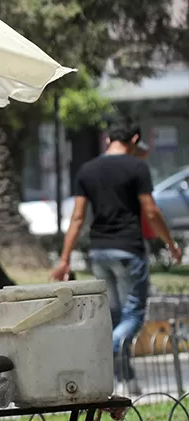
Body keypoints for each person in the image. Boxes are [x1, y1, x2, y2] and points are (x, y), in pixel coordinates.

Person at [51, 117, 181, 396]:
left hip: (99, 252)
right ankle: (107, 358)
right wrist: (170, 242)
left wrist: (64, 259)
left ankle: (128, 380)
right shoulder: (137, 167)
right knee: (133, 315)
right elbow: (151, 211)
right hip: (128, 250)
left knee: (115, 316)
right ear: (135, 140)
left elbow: (76, 218)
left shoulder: (87, 170)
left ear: (109, 139)